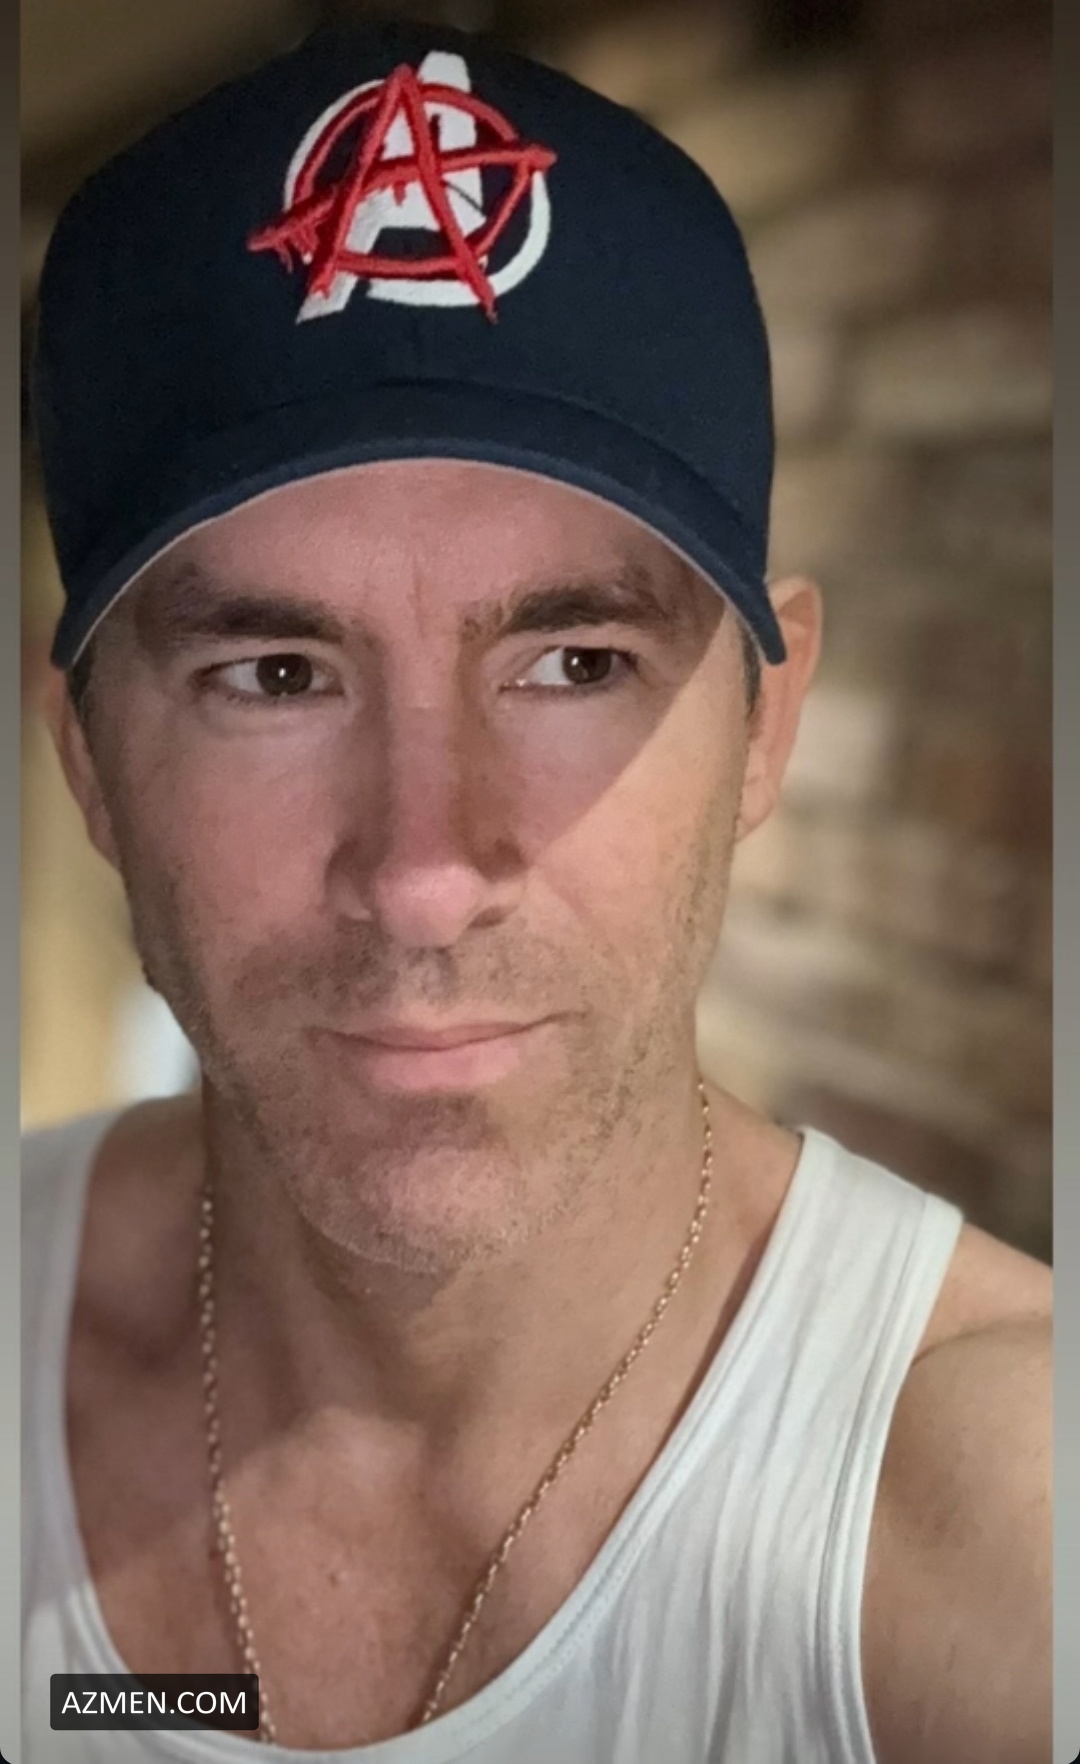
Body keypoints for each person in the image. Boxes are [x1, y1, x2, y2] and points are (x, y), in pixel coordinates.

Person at [22, 17, 1050, 1764]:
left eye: (574, 664)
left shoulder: (1004, 1543)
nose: (425, 873)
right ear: (90, 766)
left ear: (765, 724)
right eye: (275, 676)